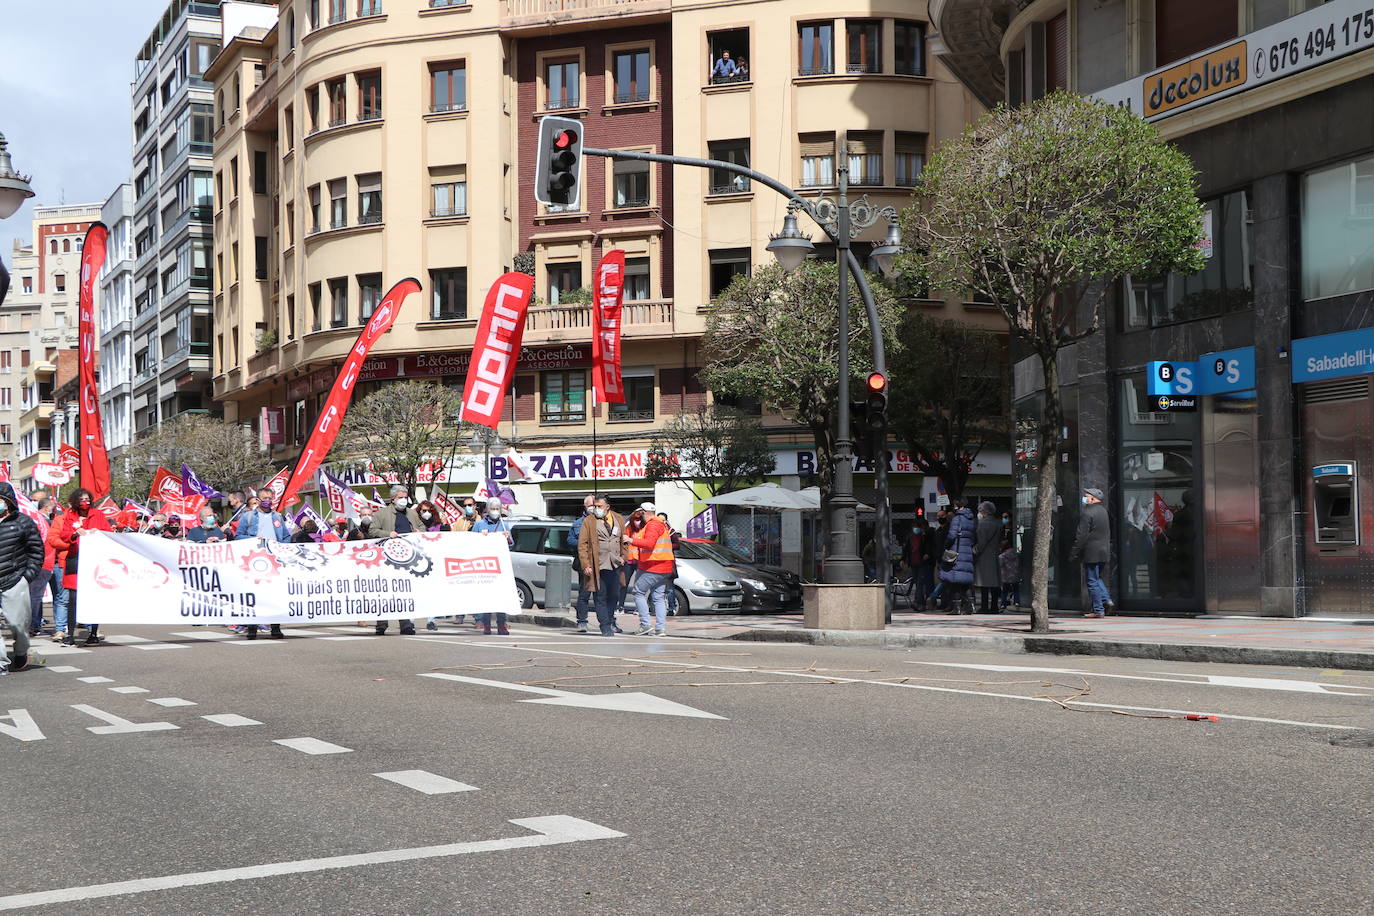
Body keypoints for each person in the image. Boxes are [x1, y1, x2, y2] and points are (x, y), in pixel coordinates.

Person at [47, 487, 112, 646]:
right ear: (76, 501)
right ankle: (68, 633)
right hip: (73, 561)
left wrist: (99, 532)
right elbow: (61, 536)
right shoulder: (68, 517)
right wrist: (75, 534)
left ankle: (93, 633)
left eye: (88, 499)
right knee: (71, 599)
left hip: (93, 562)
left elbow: (109, 533)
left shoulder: (98, 515)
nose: (85, 502)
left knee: (93, 597)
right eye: (82, 500)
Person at [0, 481, 46, 674]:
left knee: (18, 626)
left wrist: (26, 577)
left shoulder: (24, 522)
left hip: (13, 580)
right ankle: (1, 663)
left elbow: (36, 551)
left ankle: (20, 653)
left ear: (8, 501)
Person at [370, 485, 422, 635]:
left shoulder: (412, 513)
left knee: (403, 592)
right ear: (393, 499)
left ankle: (405, 624)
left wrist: (420, 531)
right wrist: (388, 533)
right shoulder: (382, 514)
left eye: (405, 497)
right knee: (385, 592)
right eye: (401, 497)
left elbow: (422, 528)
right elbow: (373, 530)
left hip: (407, 558)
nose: (404, 500)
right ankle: (381, 624)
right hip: (387, 558)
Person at [577, 496, 627, 637]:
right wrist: (586, 564)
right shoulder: (589, 521)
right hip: (598, 564)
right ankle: (605, 626)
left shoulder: (618, 519)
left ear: (607, 507)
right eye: (595, 506)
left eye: (599, 506)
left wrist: (624, 557)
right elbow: (582, 545)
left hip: (615, 563)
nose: (596, 509)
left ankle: (610, 619)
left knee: (614, 595)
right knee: (600, 596)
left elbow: (624, 541)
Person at [627, 502, 674, 637]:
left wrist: (630, 540)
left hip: (653, 565)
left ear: (644, 512)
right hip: (662, 566)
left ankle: (645, 624)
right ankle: (660, 628)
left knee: (638, 592)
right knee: (658, 597)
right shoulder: (659, 524)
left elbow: (649, 543)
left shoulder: (653, 525)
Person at [1070, 486, 1115, 618]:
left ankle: (1098, 610)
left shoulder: (1087, 512)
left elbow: (1081, 535)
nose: (1084, 498)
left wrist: (1074, 552)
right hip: (1104, 551)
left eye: (1086, 496)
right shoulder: (1103, 511)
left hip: (1091, 552)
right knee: (1096, 578)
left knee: (1091, 581)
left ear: (1093, 498)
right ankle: (1107, 600)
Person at [472, 498, 514, 635]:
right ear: (487, 509)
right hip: (484, 566)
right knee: (486, 597)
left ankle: (501, 625)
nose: (495, 511)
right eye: (493, 508)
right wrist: (481, 537)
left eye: (497, 508)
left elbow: (511, 544)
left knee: (501, 597)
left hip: (500, 566)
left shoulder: (504, 524)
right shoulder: (479, 525)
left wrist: (508, 537)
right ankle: (486, 625)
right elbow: (470, 542)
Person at [416, 500, 451, 630]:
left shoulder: (438, 525)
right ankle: (410, 619)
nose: (426, 513)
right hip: (418, 562)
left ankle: (431, 620)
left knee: (432, 592)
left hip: (434, 563)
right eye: (423, 511)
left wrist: (445, 524)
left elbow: (446, 537)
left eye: (429, 511)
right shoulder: (415, 525)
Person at [938, 496, 976, 614]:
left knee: (954, 580)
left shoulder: (957, 519)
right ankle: (970, 606)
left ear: (958, 506)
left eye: (955, 505)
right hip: (967, 552)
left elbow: (951, 536)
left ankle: (957, 608)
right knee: (965, 582)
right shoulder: (971, 519)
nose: (953, 507)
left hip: (956, 552)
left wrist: (946, 546)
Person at [26, 497, 54, 636]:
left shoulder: (39, 520)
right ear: (46, 507)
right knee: (35, 596)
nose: (53, 510)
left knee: (35, 595)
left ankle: (35, 623)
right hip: (42, 562)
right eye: (52, 507)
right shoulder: (41, 521)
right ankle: (34, 624)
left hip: (42, 562)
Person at [568, 495, 595, 633]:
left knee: (603, 594)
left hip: (600, 563)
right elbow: (570, 541)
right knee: (584, 593)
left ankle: (608, 621)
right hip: (584, 562)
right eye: (591, 505)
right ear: (585, 506)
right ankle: (582, 621)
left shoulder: (602, 521)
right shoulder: (578, 523)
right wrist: (583, 543)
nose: (594, 507)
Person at [973, 501, 1002, 614]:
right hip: (994, 554)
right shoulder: (997, 523)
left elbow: (981, 542)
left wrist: (974, 551)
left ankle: (984, 607)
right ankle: (994, 606)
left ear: (984, 511)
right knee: (994, 583)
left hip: (984, 556)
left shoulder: (982, 524)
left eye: (980, 511)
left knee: (984, 583)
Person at [658, 511, 680, 616]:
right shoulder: (654, 530)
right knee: (658, 589)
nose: (660, 522)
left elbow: (677, 545)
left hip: (668, 563)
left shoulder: (670, 531)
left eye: (662, 520)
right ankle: (659, 609)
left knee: (669, 588)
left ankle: (671, 608)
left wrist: (667, 545)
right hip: (656, 563)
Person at [998, 538, 1021, 610]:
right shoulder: (1016, 554)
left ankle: (1003, 603)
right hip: (1015, 574)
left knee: (1005, 591)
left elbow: (1000, 565)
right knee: (1016, 589)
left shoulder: (1002, 556)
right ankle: (1017, 602)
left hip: (1006, 575)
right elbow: (1018, 564)